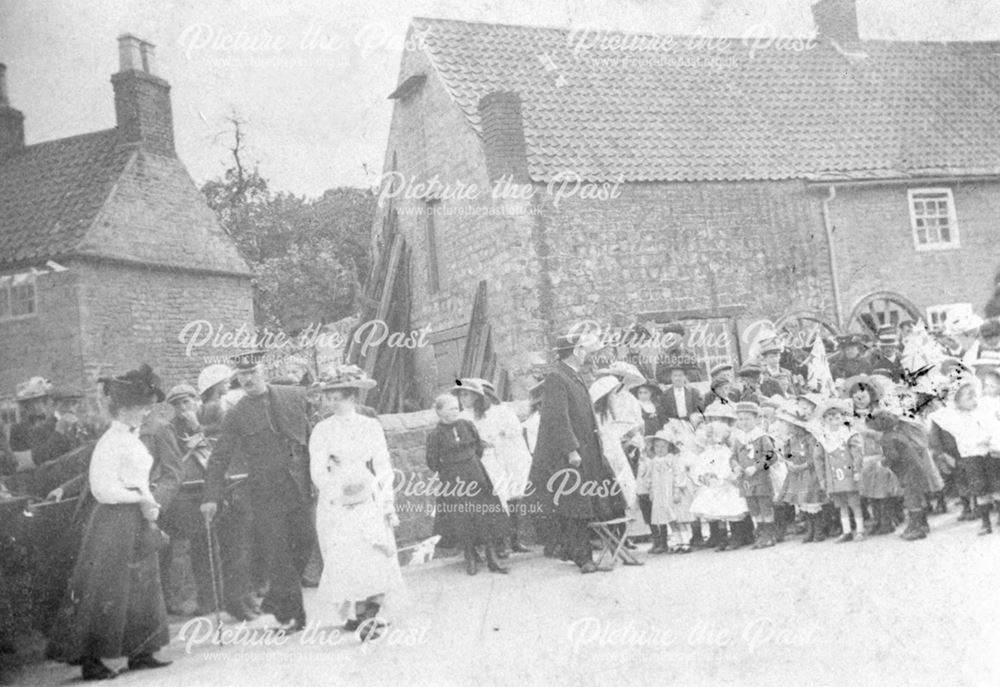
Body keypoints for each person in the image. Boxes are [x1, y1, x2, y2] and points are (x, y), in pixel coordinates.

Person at [46, 364, 171, 681]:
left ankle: (141, 651)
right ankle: (92, 659)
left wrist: (149, 502)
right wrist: (139, 500)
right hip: (113, 521)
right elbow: (102, 489)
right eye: (140, 408)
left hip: (136, 518)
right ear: (125, 409)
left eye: (146, 407)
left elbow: (137, 479)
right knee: (107, 588)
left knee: (143, 584)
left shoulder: (132, 438)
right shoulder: (109, 442)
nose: (145, 413)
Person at [201, 351, 314, 633]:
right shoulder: (237, 414)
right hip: (264, 493)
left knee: (304, 543)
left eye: (252, 373)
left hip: (298, 486)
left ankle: (277, 601)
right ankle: (290, 615)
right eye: (242, 376)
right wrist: (210, 497)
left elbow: (315, 433)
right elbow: (219, 457)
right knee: (279, 553)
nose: (248, 379)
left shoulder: (293, 396)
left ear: (263, 372)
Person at [308, 366, 402, 640]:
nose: (332, 402)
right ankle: (352, 612)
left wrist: (386, 499)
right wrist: (335, 492)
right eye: (329, 397)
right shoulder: (322, 430)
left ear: (352, 397)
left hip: (367, 491)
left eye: (338, 397)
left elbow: (383, 463)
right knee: (344, 555)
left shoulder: (369, 425)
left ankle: (371, 615)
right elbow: (317, 469)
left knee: (371, 552)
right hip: (337, 497)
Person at [529, 333, 625, 574]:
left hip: (588, 450)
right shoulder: (556, 377)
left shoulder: (574, 375)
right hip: (571, 454)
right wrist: (571, 449)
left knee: (588, 503)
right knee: (575, 507)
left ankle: (588, 553)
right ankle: (583, 558)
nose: (587, 354)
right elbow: (557, 418)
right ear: (575, 351)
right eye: (583, 349)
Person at [425, 394, 509, 575]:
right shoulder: (435, 435)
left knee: (485, 515)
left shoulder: (467, 426)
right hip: (454, 481)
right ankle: (470, 556)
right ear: (439, 412)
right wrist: (452, 469)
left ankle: (491, 556)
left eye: (456, 408)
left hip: (476, 475)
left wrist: (470, 465)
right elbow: (432, 462)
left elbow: (478, 448)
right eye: (449, 409)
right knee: (463, 518)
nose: (455, 412)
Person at [158, 384, 215, 617]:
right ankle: (170, 600)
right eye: (177, 404)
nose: (182, 408)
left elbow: (221, 451)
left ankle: (209, 600)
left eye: (186, 402)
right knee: (174, 550)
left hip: (205, 492)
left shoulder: (211, 420)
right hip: (181, 496)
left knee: (205, 546)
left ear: (196, 401)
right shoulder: (169, 429)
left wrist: (198, 429)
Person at [928, 379, 1000, 535]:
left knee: (996, 487)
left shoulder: (981, 412)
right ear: (957, 402)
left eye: (975, 396)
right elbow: (937, 414)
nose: (974, 401)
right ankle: (985, 523)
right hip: (971, 458)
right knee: (980, 490)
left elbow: (994, 429)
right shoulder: (954, 418)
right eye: (969, 398)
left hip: (990, 454)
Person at [590, 375, 642, 554]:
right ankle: (615, 538)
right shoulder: (596, 416)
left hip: (617, 455)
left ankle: (624, 536)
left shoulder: (612, 414)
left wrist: (628, 438)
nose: (614, 397)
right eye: (611, 394)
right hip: (606, 458)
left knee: (625, 492)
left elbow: (620, 433)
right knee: (613, 495)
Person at [690, 408, 751, 551]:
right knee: (716, 512)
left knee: (731, 511)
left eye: (712, 435)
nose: (709, 438)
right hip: (712, 487)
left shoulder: (725, 451)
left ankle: (737, 536)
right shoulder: (707, 452)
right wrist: (702, 476)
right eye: (708, 435)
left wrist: (719, 476)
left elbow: (727, 466)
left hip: (726, 486)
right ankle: (721, 537)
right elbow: (699, 465)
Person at [816, 398, 865, 542]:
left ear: (843, 418)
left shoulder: (849, 434)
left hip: (849, 474)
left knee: (854, 503)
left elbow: (857, 454)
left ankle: (860, 530)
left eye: (837, 418)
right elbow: (818, 459)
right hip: (834, 476)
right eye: (830, 419)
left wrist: (857, 470)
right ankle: (847, 531)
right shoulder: (823, 438)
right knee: (841, 504)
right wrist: (822, 478)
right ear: (825, 420)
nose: (834, 422)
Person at [775, 405, 827, 543]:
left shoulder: (810, 439)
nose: (791, 429)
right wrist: (789, 463)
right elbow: (787, 454)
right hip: (797, 474)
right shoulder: (791, 440)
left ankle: (818, 530)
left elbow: (815, 456)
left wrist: (803, 465)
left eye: (793, 426)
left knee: (813, 501)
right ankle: (810, 530)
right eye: (790, 426)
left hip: (809, 473)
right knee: (803, 503)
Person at [730, 402, 778, 548]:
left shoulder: (762, 437)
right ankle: (760, 535)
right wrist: (736, 466)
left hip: (760, 478)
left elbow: (772, 456)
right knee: (754, 508)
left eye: (747, 419)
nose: (744, 422)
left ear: (756, 419)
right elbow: (732, 457)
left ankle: (769, 536)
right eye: (741, 419)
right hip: (746, 481)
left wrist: (756, 467)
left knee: (765, 506)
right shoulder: (738, 439)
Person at [8, 377, 54, 472]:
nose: (36, 407)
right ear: (26, 407)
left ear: (44, 402)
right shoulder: (17, 429)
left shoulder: (53, 423)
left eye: (39, 402)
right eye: (31, 403)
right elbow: (17, 458)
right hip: (31, 473)